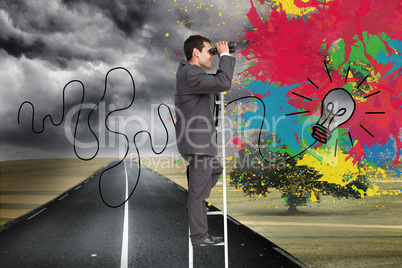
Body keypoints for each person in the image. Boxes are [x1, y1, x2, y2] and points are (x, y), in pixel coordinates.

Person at [174, 35, 236, 246]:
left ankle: (195, 203)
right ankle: (200, 237)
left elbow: (216, 84)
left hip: (198, 142)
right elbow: (224, 83)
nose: (212, 55)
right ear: (196, 52)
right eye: (209, 51)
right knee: (198, 194)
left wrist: (220, 59)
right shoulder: (192, 72)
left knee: (215, 170)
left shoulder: (189, 72)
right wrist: (225, 55)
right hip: (198, 143)